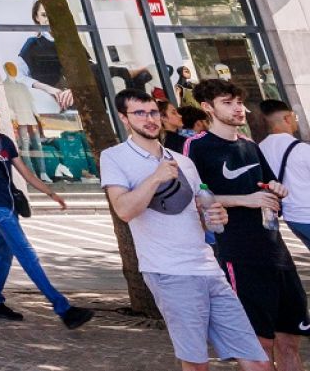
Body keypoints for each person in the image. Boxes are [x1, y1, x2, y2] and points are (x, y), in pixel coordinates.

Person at [103, 88, 266, 371]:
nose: (149, 119)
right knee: (196, 363)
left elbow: (198, 215)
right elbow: (124, 210)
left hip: (208, 268)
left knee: (257, 361)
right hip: (169, 272)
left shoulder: (185, 162)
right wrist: (155, 178)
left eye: (153, 112)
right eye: (139, 113)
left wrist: (215, 215)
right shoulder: (114, 157)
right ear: (123, 118)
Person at [187, 78, 307, 369]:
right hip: (239, 254)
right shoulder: (196, 147)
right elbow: (194, 197)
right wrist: (246, 200)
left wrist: (275, 191)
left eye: (239, 102)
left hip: (277, 252)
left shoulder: (250, 145)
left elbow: (265, 186)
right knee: (258, 346)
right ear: (207, 108)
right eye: (228, 103)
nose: (238, 109)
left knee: (290, 341)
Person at [0, 98, 93, 326]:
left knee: (3, 252)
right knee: (26, 253)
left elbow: (26, 173)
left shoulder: (5, 142)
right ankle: (63, 309)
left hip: (11, 203)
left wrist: (51, 193)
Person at [259, 97, 310, 252]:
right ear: (287, 118)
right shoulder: (302, 149)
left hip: (292, 218)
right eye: (294, 116)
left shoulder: (259, 149)